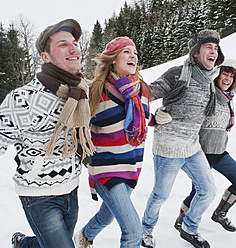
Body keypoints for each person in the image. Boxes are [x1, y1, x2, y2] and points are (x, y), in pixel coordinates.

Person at [0, 19, 95, 248]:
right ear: (45, 57)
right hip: (39, 196)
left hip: (72, 189)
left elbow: (82, 136)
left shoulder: (82, 91)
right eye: (63, 44)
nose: (74, 49)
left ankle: (23, 244)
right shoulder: (23, 100)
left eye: (75, 43)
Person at [141, 29, 225, 248]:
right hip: (168, 148)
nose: (213, 51)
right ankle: (145, 231)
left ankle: (189, 227)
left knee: (208, 190)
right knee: (160, 195)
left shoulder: (210, 81)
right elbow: (146, 95)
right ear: (196, 53)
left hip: (192, 147)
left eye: (216, 48)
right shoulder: (177, 74)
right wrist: (153, 117)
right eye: (208, 46)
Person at [73, 36, 156, 248]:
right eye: (126, 51)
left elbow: (141, 118)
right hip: (105, 168)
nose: (133, 56)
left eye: (135, 53)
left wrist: (157, 119)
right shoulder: (96, 91)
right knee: (133, 232)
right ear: (112, 59)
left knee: (106, 216)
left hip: (132, 165)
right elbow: (78, 125)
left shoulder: (142, 90)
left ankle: (84, 236)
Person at [174, 59, 236, 233]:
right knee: (198, 192)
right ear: (217, 74)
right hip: (200, 154)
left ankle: (220, 212)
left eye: (232, 77)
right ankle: (182, 219)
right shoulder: (209, 92)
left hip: (220, 152)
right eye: (225, 74)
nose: (227, 79)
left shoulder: (229, 99)